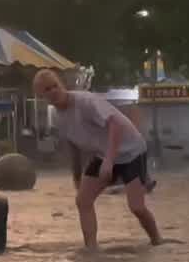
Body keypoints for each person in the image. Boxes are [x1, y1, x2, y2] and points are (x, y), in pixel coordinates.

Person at [33, 69, 162, 250]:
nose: (53, 91)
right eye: (47, 89)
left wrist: (109, 160)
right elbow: (74, 146)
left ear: (62, 85)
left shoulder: (85, 101)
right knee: (82, 200)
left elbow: (115, 124)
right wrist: (77, 178)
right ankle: (91, 249)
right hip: (103, 154)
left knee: (137, 207)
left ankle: (157, 240)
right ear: (41, 95)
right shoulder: (57, 116)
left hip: (130, 151)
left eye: (56, 86)